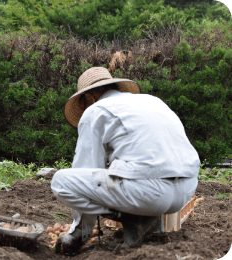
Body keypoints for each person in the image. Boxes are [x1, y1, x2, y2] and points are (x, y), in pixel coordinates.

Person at [51, 66, 200, 255]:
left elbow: (87, 167)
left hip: (150, 195)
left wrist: (79, 234)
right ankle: (147, 226)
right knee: (131, 175)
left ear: (88, 98)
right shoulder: (153, 101)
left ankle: (136, 222)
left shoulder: (95, 110)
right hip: (185, 190)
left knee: (61, 181)